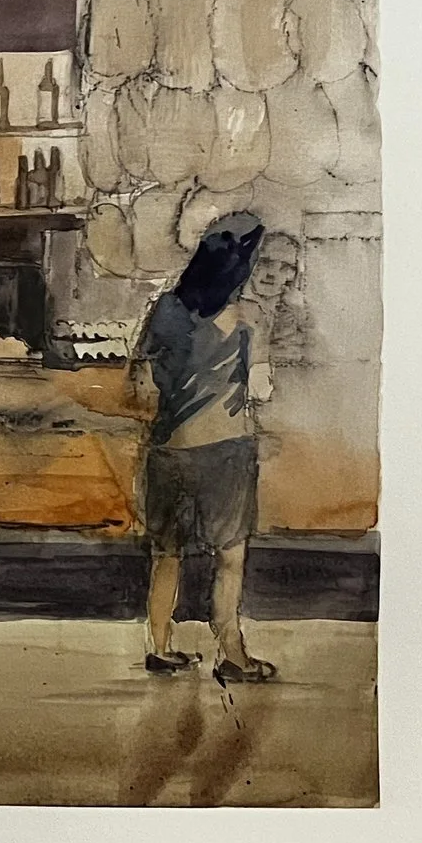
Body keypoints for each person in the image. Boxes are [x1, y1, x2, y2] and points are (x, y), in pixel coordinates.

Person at [130, 212, 277, 684]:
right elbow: (262, 390)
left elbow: (141, 382)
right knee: (229, 556)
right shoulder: (248, 317)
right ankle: (232, 654)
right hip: (224, 450)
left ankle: (159, 648)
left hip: (168, 450)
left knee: (166, 553)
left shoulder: (166, 310)